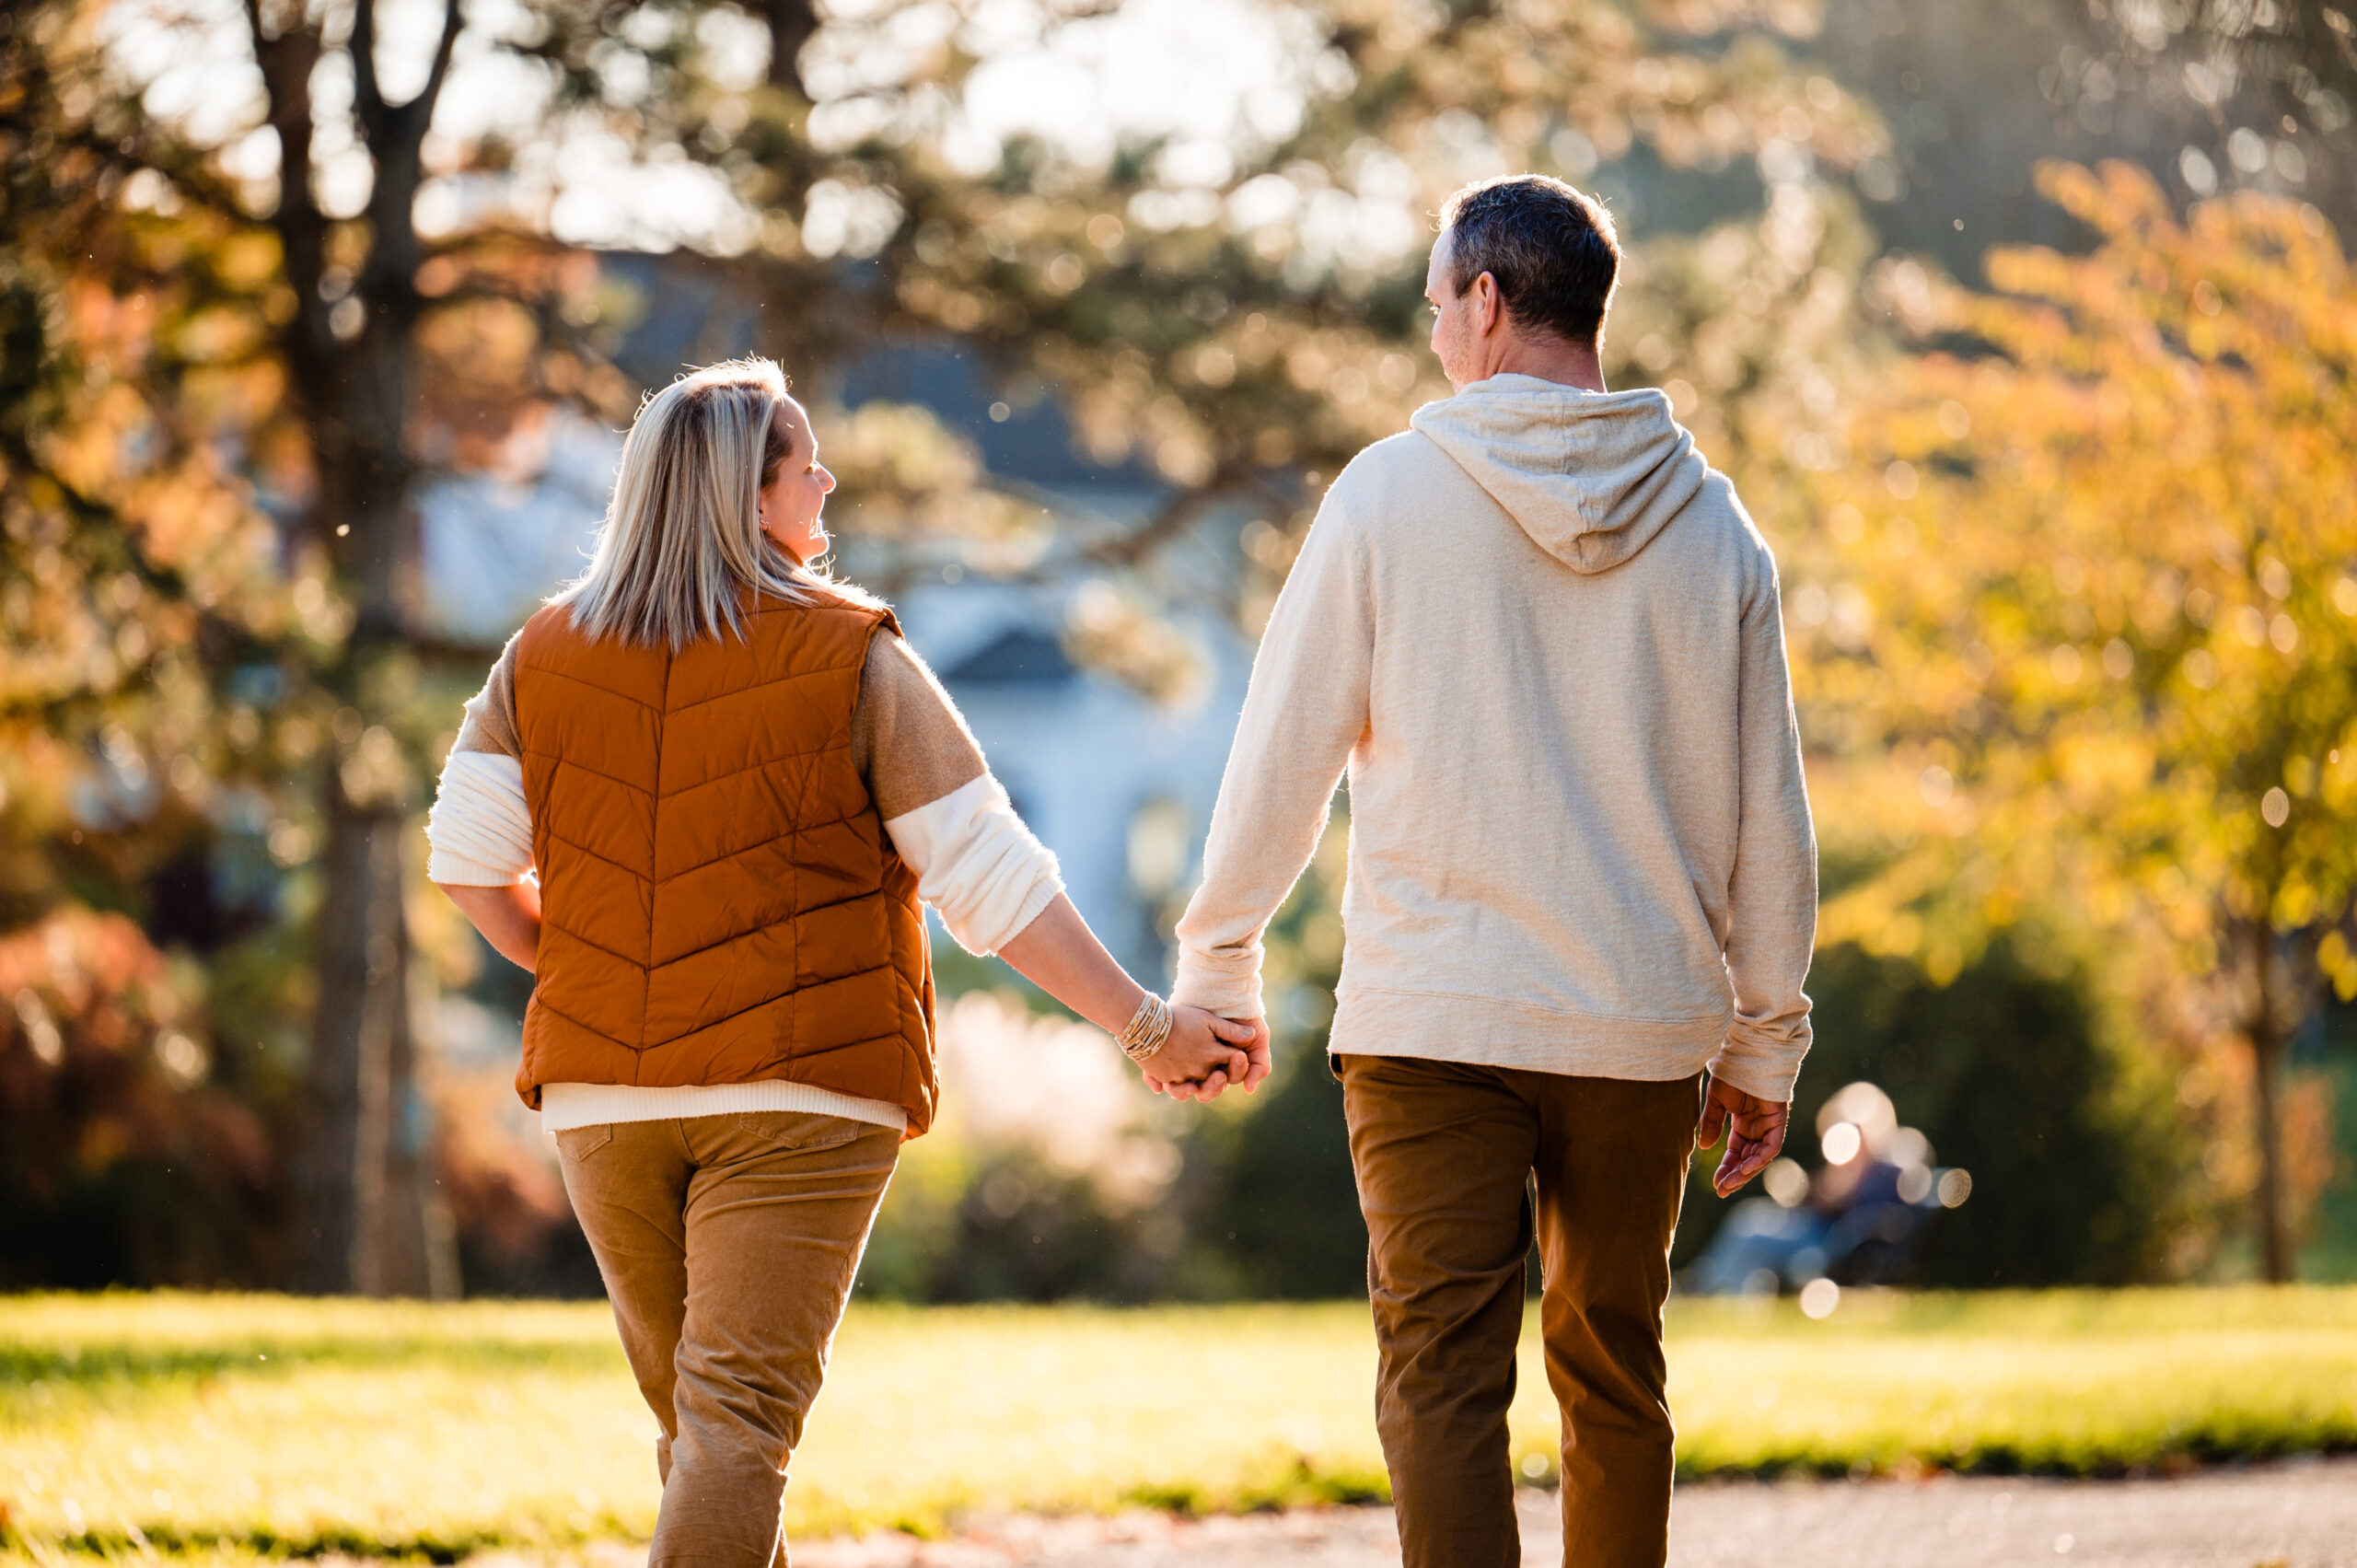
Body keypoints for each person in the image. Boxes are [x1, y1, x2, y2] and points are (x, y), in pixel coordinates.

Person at [424, 357, 1268, 1568]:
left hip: (605, 1097)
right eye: (802, 464)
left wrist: (584, 961)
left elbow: (465, 862)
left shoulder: (540, 656)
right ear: (745, 498)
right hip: (799, 1088)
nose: (827, 479)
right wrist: (1146, 1026)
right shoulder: (853, 655)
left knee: (705, 1436)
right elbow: (992, 878)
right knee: (733, 1431)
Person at [1169, 175, 1817, 1568]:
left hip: (1433, 1021)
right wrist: (1765, 1042)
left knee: (1443, 1380)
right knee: (1616, 1370)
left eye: (1433, 306)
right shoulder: (1716, 532)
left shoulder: (1389, 498)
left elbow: (1284, 749)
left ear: (1485, 302)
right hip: (1637, 1026)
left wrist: (1219, 960)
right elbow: (1775, 814)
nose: (1432, 336)